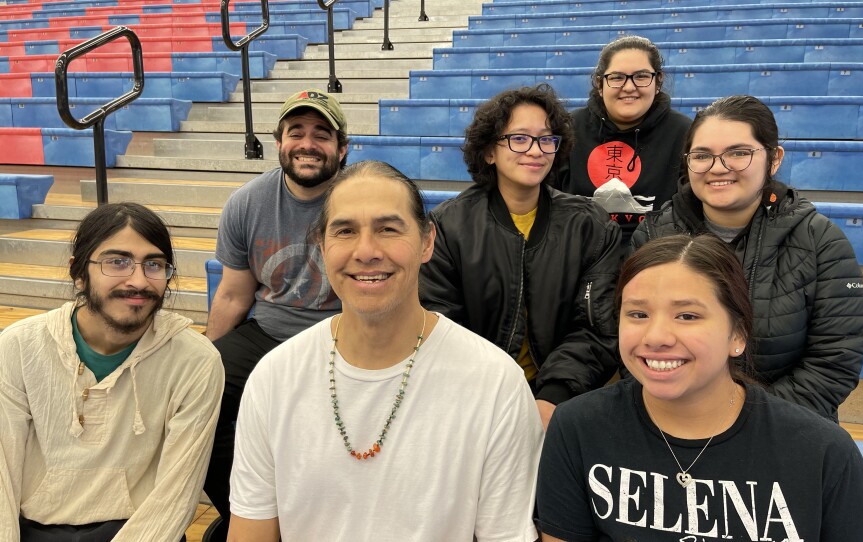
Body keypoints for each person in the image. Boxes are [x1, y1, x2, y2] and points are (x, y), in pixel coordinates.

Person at [228, 161, 544, 541]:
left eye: (388, 229)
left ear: (427, 241)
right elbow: (250, 531)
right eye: (345, 230)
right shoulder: (273, 378)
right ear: (322, 246)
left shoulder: (495, 384)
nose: (366, 251)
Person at [536, 234, 863, 541]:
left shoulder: (822, 451)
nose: (655, 337)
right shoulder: (578, 427)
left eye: (687, 316)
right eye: (638, 314)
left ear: (738, 334)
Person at [631, 95, 863, 421]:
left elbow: (834, 361)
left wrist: (741, 421)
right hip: (674, 421)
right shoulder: (653, 235)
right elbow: (631, 337)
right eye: (702, 156)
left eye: (738, 153)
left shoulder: (820, 241)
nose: (718, 168)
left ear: (774, 159)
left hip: (783, 427)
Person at [0, 203, 223, 541]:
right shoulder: (18, 347)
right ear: (78, 272)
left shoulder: (196, 361)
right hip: (32, 528)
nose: (138, 280)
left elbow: (175, 496)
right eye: (117, 262)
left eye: (154, 264)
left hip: (138, 528)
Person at [420, 84, 621, 430]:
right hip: (475, 400)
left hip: (564, 399)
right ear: (489, 152)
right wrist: (492, 399)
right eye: (519, 138)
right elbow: (440, 327)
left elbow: (596, 329)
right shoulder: (448, 227)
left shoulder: (591, 226)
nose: (535, 151)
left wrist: (552, 396)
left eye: (546, 139)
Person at [202, 89, 348, 533]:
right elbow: (232, 295)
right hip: (268, 333)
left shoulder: (362, 194)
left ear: (342, 149)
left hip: (345, 335)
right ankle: (249, 517)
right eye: (295, 132)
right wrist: (202, 360)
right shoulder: (247, 202)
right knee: (197, 396)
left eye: (321, 134)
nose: (307, 143)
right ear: (279, 142)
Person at [559, 35, 691, 242]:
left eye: (641, 76)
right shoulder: (569, 129)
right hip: (578, 252)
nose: (629, 87)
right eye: (617, 77)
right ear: (599, 83)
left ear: (658, 81)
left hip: (654, 257)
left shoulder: (684, 133)